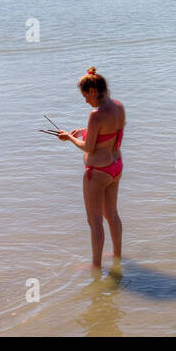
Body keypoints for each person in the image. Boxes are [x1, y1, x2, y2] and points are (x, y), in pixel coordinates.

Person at [58, 68, 125, 269]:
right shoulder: (118, 106)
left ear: (93, 90)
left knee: (94, 220)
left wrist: (69, 137)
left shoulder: (95, 115)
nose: (86, 101)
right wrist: (87, 131)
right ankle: (117, 255)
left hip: (98, 172)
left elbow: (88, 147)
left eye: (85, 95)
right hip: (116, 166)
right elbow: (110, 131)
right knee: (112, 214)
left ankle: (96, 267)